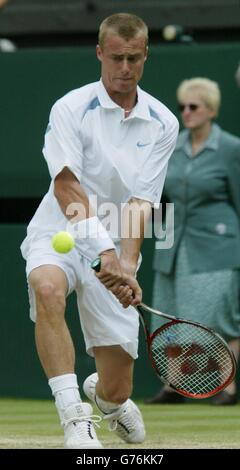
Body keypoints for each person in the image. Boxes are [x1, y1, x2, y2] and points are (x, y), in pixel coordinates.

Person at [20, 13, 179, 448]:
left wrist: (125, 263)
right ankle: (75, 417)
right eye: (115, 58)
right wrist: (103, 252)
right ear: (99, 54)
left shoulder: (164, 122)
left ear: (145, 55)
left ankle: (106, 400)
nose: (124, 68)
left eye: (133, 58)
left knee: (118, 387)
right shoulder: (71, 107)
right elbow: (66, 184)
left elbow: (141, 201)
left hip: (116, 244)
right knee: (46, 287)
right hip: (60, 232)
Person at [146, 77, 240, 405]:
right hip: (171, 242)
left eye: (193, 106)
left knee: (219, 317)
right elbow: (158, 196)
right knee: (168, 316)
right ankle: (173, 386)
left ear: (211, 110)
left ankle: (227, 387)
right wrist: (160, 239)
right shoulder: (170, 145)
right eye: (181, 106)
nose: (186, 112)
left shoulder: (231, 148)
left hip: (217, 245)